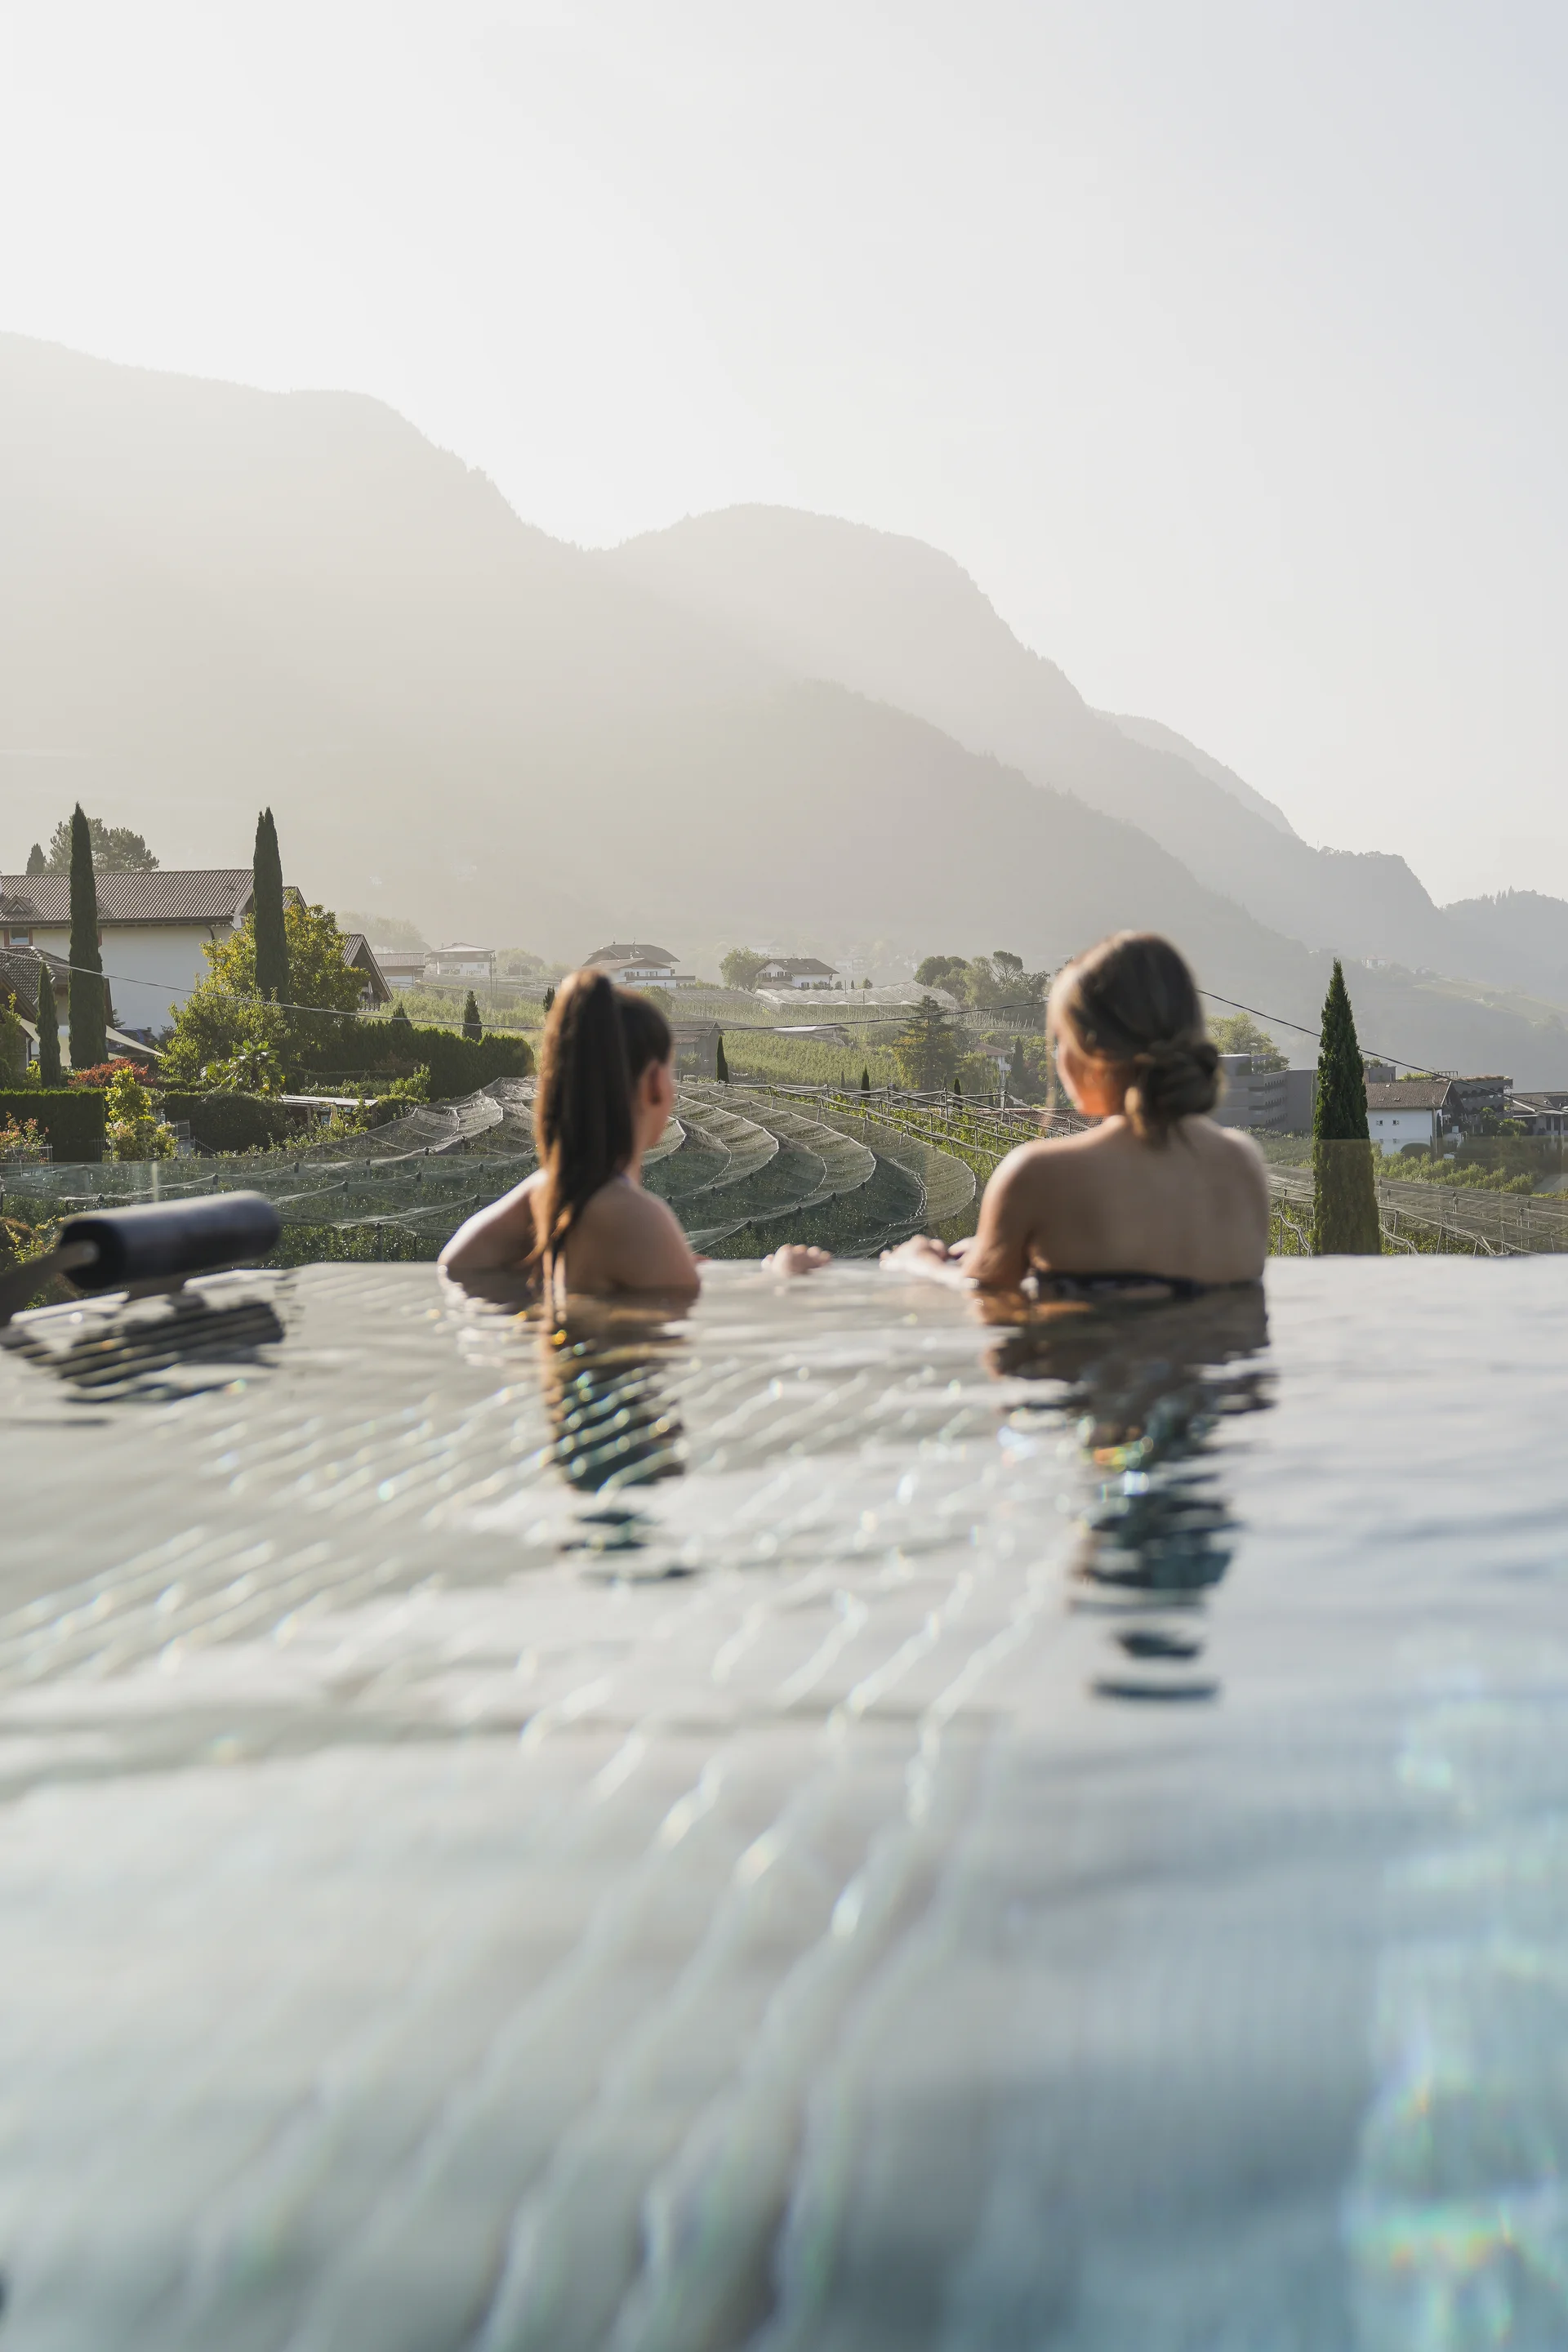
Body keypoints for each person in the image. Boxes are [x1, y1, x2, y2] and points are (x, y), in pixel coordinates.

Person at [888, 931, 1269, 1294]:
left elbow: (982, 1296)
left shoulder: (1039, 1173)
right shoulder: (1242, 1163)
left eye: (1061, 1040)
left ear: (1092, 1055)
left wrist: (920, 1265)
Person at [439, 970, 700, 1298]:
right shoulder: (636, 1219)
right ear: (655, 1084)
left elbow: (454, 1265)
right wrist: (783, 1278)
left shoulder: (540, 1198)